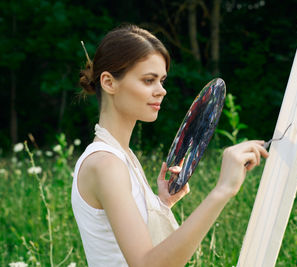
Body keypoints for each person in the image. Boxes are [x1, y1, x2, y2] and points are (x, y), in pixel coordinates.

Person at [72, 24, 268, 267]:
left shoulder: (123, 156)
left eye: (162, 81)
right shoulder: (106, 164)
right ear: (109, 83)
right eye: (148, 80)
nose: (161, 91)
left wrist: (161, 204)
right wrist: (223, 190)